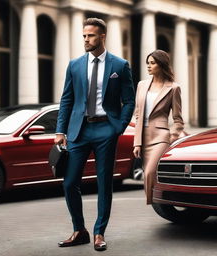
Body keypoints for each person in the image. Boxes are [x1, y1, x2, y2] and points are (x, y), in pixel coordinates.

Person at [55, 18, 135, 251]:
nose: (86, 40)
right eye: (84, 36)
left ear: (102, 36)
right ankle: (79, 230)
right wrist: (60, 130)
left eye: (90, 35)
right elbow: (67, 99)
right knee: (70, 183)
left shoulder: (120, 66)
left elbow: (128, 100)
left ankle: (99, 232)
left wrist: (117, 127)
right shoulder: (75, 65)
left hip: (105, 130)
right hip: (79, 130)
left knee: (103, 183)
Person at [133, 49, 184, 205]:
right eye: (147, 63)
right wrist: (137, 142)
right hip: (144, 136)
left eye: (152, 63)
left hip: (161, 136)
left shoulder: (173, 88)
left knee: (149, 172)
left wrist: (172, 136)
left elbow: (178, 119)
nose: (148, 66)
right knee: (150, 175)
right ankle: (162, 202)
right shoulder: (141, 85)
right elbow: (137, 115)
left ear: (161, 65)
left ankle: (155, 202)